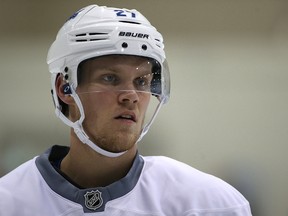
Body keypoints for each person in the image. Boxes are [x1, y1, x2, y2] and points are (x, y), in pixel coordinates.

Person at [0, 4, 252, 216]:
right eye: (110, 78)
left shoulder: (208, 204)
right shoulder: (9, 202)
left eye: (141, 81)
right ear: (65, 88)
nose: (131, 96)